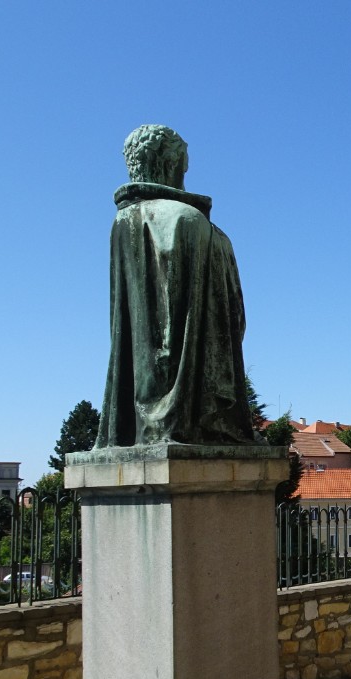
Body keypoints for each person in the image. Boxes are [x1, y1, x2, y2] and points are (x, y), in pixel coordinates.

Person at [96, 125, 258, 447]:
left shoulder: (122, 222)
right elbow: (228, 320)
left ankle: (144, 425)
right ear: (169, 163)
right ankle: (198, 424)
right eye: (183, 163)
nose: (185, 172)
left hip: (139, 393)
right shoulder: (189, 220)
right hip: (197, 398)